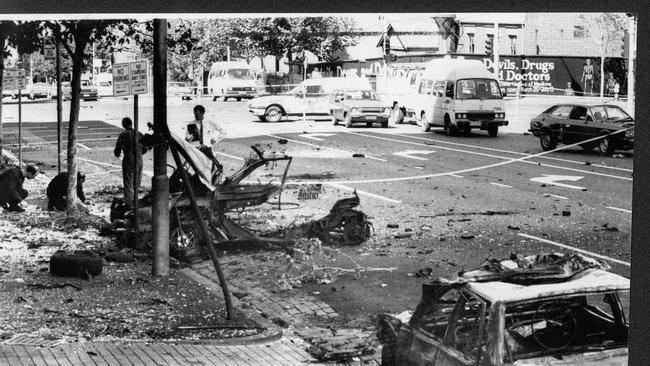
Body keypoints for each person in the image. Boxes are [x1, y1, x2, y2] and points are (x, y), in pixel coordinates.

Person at [185, 105, 224, 181]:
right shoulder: (192, 124)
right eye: (195, 114)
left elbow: (223, 131)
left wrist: (215, 139)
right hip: (196, 150)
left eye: (197, 114)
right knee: (197, 170)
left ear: (202, 113)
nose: (195, 115)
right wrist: (192, 136)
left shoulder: (209, 122)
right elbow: (186, 138)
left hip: (207, 150)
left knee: (210, 170)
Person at [114, 117, 146, 208]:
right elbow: (145, 149)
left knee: (128, 184)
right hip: (139, 160)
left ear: (123, 125)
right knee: (137, 183)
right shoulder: (139, 134)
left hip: (129, 159)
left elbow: (117, 152)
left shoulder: (123, 135)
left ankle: (129, 205)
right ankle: (136, 202)